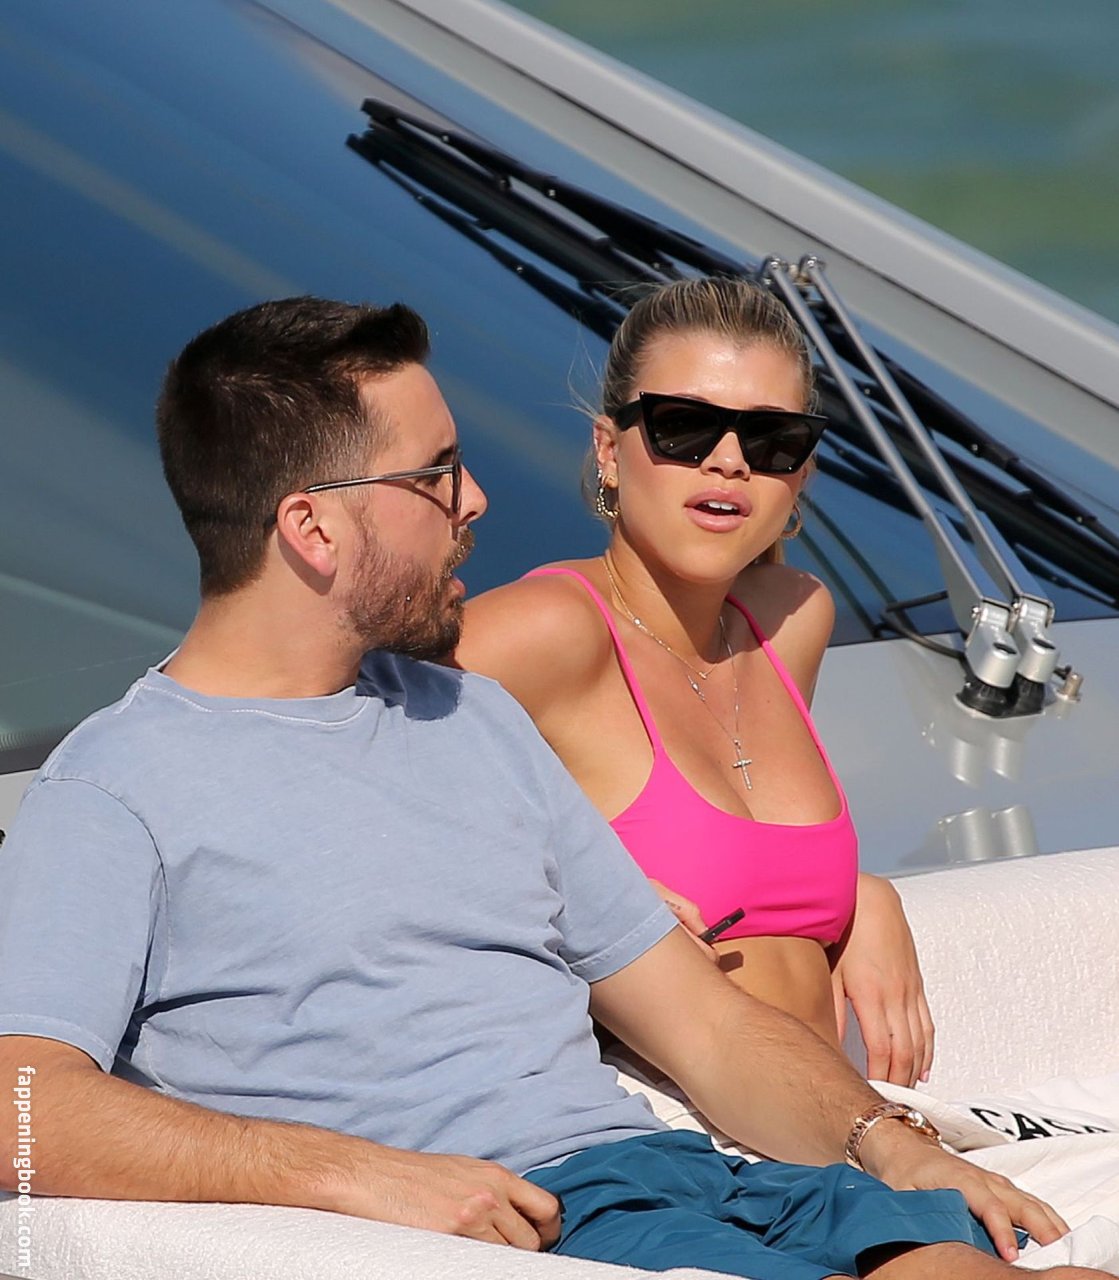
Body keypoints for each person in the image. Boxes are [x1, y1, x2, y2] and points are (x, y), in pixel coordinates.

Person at [0, 296, 1100, 1280]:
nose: (474, 499)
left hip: (673, 1179)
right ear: (314, 527)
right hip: (536, 1224)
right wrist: (356, 1175)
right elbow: (19, 1105)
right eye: (435, 475)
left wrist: (891, 1145)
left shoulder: (468, 717)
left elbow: (705, 1025)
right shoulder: (114, 789)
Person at [455, 275, 932, 1088]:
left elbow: (750, 856)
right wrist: (563, 893)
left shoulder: (790, 619)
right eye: (683, 426)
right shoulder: (546, 629)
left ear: (801, 474)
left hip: (826, 1122)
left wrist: (863, 896)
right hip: (643, 1128)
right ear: (609, 450)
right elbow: (322, 780)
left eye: (772, 439)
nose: (728, 460)